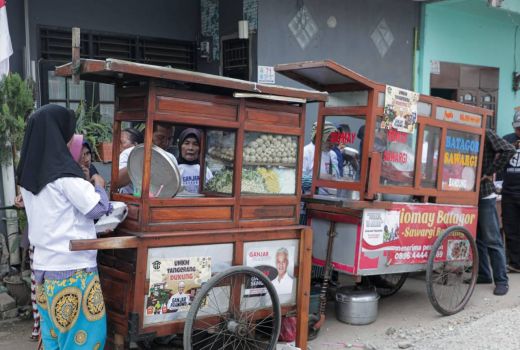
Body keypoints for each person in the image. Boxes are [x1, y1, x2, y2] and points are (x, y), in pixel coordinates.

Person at [16, 104, 112, 349]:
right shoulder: (65, 177)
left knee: (54, 341)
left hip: (45, 273)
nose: (72, 141)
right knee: (85, 341)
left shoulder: (28, 179)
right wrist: (99, 184)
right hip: (74, 272)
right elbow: (97, 209)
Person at [475, 129, 515, 296]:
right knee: (477, 239)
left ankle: (501, 280)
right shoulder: (461, 133)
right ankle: (484, 274)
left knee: (492, 239)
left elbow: (509, 149)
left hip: (484, 193)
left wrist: (489, 171)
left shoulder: (485, 132)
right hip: (467, 193)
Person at [118, 123, 177, 194]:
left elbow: (173, 186)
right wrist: (140, 160)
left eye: (169, 139)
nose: (166, 143)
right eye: (160, 137)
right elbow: (117, 182)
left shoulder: (171, 158)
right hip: (130, 199)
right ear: (148, 135)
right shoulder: (130, 153)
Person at [501, 111, 520, 272]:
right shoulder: (508, 139)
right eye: (517, 128)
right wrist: (510, 149)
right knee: (511, 229)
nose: (519, 131)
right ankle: (515, 263)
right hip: (508, 192)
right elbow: (498, 161)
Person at [302, 121, 339, 194]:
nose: (332, 144)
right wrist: (319, 177)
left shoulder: (332, 155)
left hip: (330, 198)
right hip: (310, 200)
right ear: (317, 137)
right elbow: (298, 179)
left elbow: (336, 178)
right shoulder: (306, 152)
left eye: (333, 140)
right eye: (328, 140)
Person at [177, 128, 213, 193]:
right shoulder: (173, 168)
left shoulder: (205, 171)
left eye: (195, 144)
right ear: (180, 146)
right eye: (187, 143)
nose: (190, 148)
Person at [117, 127, 144, 194]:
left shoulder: (126, 153)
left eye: (121, 143)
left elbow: (117, 181)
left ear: (135, 145)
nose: (118, 146)